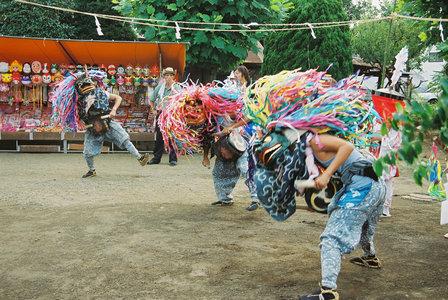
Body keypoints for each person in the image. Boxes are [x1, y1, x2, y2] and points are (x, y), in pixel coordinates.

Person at [296, 134, 386, 300]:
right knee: (365, 226)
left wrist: (327, 174)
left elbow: (347, 147)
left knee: (331, 239)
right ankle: (370, 257)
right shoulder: (313, 146)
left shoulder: (315, 140)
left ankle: (328, 292)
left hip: (363, 187)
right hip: (377, 185)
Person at [52, 70, 150, 178]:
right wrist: (79, 121)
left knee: (124, 139)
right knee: (87, 152)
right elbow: (76, 115)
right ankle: (91, 170)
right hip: (92, 128)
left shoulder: (101, 93)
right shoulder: (78, 102)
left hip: (108, 122)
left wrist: (113, 110)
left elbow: (118, 98)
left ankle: (140, 157)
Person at [148, 67, 180, 166]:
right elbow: (152, 99)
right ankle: (156, 158)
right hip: (161, 114)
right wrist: (153, 109)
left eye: (170, 75)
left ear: (173, 77)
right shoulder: (160, 87)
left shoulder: (177, 87)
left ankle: (173, 159)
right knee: (159, 137)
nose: (168, 77)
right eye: (166, 75)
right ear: (164, 77)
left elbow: (181, 101)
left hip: (172, 115)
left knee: (172, 137)